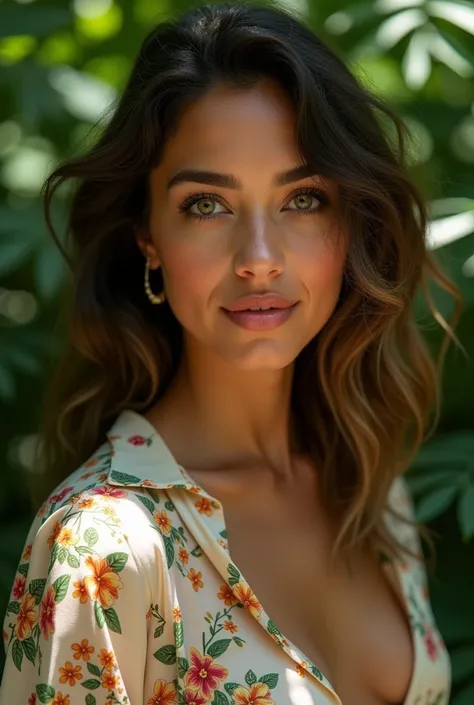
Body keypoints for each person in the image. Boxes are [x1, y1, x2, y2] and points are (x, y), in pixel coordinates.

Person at [0, 2, 458, 704]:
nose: (259, 259)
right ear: (147, 236)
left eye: (302, 198)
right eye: (206, 205)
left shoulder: (371, 486)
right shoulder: (105, 546)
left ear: (351, 220)